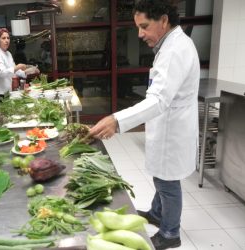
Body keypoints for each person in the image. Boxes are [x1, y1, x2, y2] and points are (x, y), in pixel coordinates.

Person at [89, 1, 200, 249]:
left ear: (163, 20)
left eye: (144, 26)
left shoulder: (174, 51)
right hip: (169, 126)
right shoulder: (172, 45)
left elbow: (159, 99)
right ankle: (156, 213)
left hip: (173, 131)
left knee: (168, 183)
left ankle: (170, 233)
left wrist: (117, 120)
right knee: (162, 177)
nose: (140, 34)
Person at [0, 28, 27, 106]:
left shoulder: (8, 54)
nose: (7, 40)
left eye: (8, 38)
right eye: (3, 38)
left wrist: (28, 71)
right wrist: (18, 67)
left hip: (9, 92)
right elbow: (2, 73)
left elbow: (14, 71)